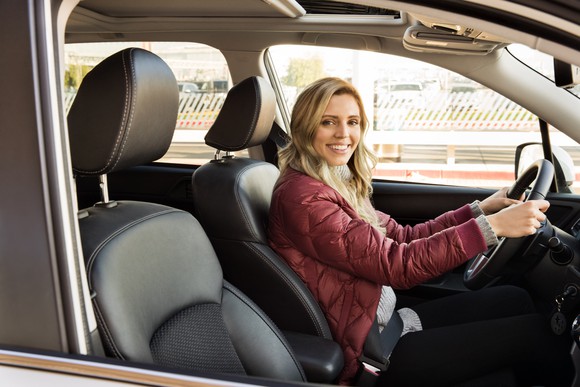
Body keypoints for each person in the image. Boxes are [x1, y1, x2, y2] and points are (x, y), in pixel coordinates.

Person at [268, 77, 565, 386]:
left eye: (352, 122)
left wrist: (480, 211)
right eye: (329, 122)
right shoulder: (305, 199)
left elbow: (402, 236)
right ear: (305, 128)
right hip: (371, 354)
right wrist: (492, 228)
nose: (344, 134)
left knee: (513, 299)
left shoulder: (333, 181)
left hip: (387, 323)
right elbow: (396, 265)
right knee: (536, 334)